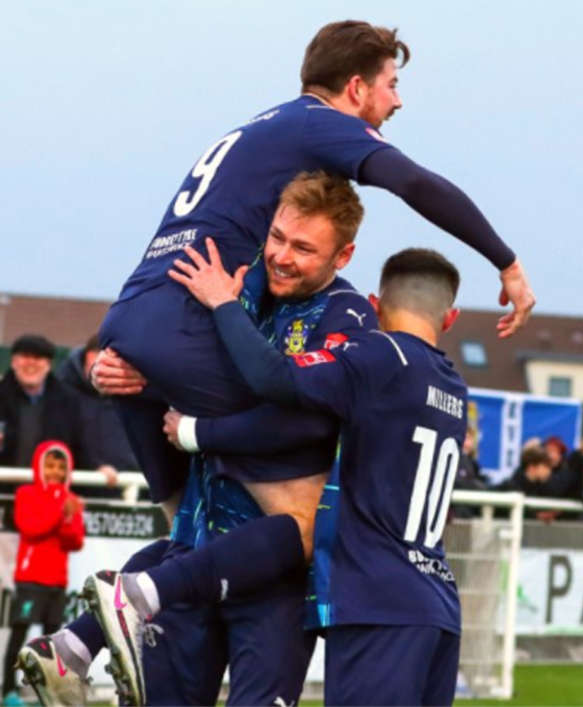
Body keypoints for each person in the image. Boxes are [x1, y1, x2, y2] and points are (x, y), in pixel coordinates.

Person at [93, 19, 534, 525]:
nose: (397, 102)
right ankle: (154, 594)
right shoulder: (320, 124)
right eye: (392, 85)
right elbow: (413, 182)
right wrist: (506, 260)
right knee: (303, 512)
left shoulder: (261, 127)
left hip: (131, 320)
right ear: (356, 88)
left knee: (187, 525)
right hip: (188, 322)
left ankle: (152, 592)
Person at [25, 172, 376, 706]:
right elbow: (161, 359)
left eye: (304, 248)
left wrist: (197, 426)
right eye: (278, 237)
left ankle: (82, 637)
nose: (281, 255)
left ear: (343, 256)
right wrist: (118, 378)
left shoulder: (346, 315)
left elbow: (306, 419)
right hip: (191, 552)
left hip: (273, 581)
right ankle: (82, 639)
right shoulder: (231, 277)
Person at [88, 247, 467, 706]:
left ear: (373, 306)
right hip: (438, 599)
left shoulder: (376, 356)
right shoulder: (452, 384)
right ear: (451, 319)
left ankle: (136, 597)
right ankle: (112, 614)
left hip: (376, 596)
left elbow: (277, 380)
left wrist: (197, 420)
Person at [3, 441, 84, 707]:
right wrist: (61, 512)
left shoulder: (71, 500)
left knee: (52, 643)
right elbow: (31, 528)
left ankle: (46, 693)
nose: (55, 472)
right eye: (50, 465)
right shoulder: (26, 493)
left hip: (57, 581)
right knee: (19, 634)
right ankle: (8, 692)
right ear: (39, 465)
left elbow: (74, 542)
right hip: (30, 578)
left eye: (61, 467)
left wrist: (70, 518)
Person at [56, 335, 139, 496]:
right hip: (78, 492)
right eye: (93, 366)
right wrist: (95, 467)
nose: (99, 373)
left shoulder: (133, 397)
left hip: (128, 488)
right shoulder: (65, 396)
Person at [0, 336, 84, 494]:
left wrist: (100, 466)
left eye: (38, 357)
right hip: (4, 494)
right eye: (25, 356)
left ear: (48, 364)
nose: (31, 363)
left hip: (49, 498)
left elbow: (81, 446)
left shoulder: (68, 401)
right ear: (13, 362)